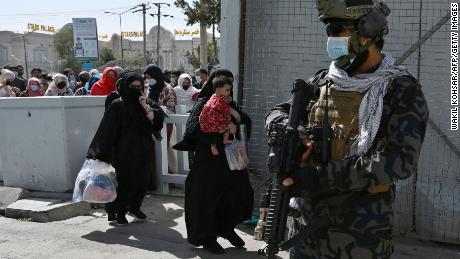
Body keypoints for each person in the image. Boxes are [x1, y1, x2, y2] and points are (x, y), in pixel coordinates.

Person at [263, 1, 429, 258]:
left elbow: (400, 161)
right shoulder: (323, 81)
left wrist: (320, 177)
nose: (331, 42)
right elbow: (280, 112)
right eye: (328, 33)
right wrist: (289, 133)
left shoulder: (400, 90)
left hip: (359, 238)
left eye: (337, 33)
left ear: (366, 33)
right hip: (304, 234)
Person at [184, 68, 254, 254]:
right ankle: (208, 237)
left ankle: (226, 228)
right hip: (209, 164)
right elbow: (192, 132)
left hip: (231, 161)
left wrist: (237, 120)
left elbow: (244, 123)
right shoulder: (203, 104)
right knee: (207, 201)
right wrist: (218, 134)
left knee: (236, 196)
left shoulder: (228, 103)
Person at [87, 70, 165, 225]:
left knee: (142, 181)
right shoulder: (117, 105)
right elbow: (107, 129)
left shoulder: (145, 103)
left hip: (143, 149)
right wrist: (101, 152)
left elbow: (158, 122)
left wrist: (145, 107)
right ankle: (119, 211)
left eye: (139, 86)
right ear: (125, 86)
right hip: (124, 151)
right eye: (132, 86)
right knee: (125, 183)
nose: (136, 89)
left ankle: (135, 207)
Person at [199, 76, 237, 155]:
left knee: (213, 133)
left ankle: (213, 145)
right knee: (225, 127)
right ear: (218, 90)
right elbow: (225, 110)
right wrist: (229, 118)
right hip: (213, 120)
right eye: (227, 90)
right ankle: (224, 140)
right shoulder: (221, 101)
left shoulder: (213, 96)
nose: (229, 92)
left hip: (204, 121)